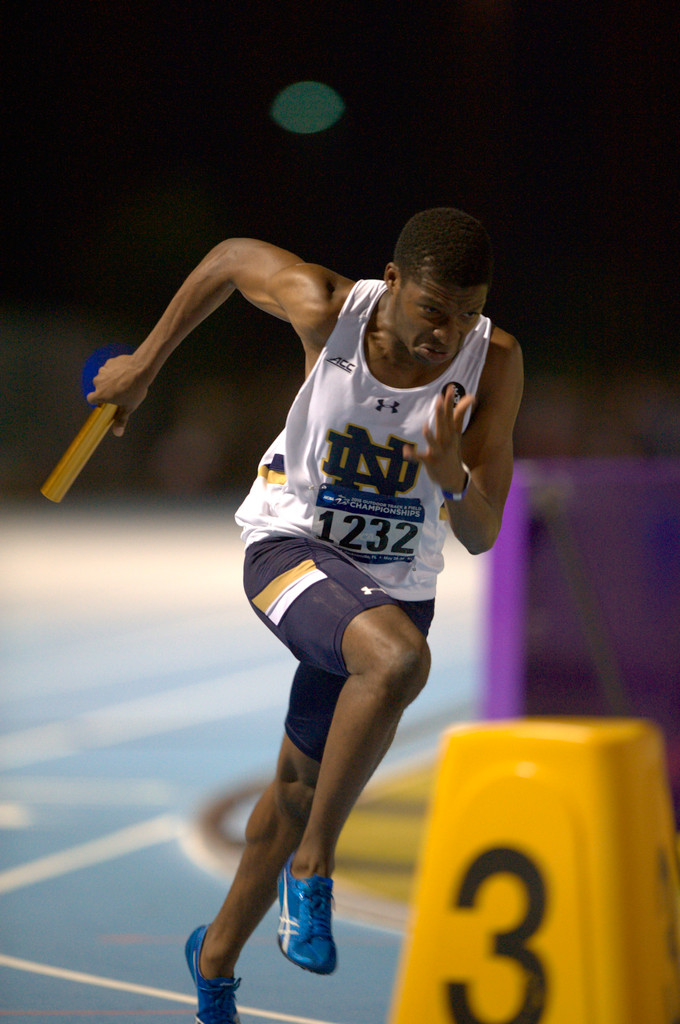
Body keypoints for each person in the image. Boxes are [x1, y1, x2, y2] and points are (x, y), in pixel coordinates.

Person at [88, 207, 523, 1024]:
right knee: (396, 661)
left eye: (466, 312)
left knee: (296, 788)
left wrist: (452, 476)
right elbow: (226, 257)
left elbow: (482, 533)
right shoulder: (327, 310)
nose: (447, 333)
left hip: (394, 585)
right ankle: (314, 870)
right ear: (391, 283)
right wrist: (144, 367)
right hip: (293, 547)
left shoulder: (492, 360)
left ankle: (214, 960)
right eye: (433, 309)